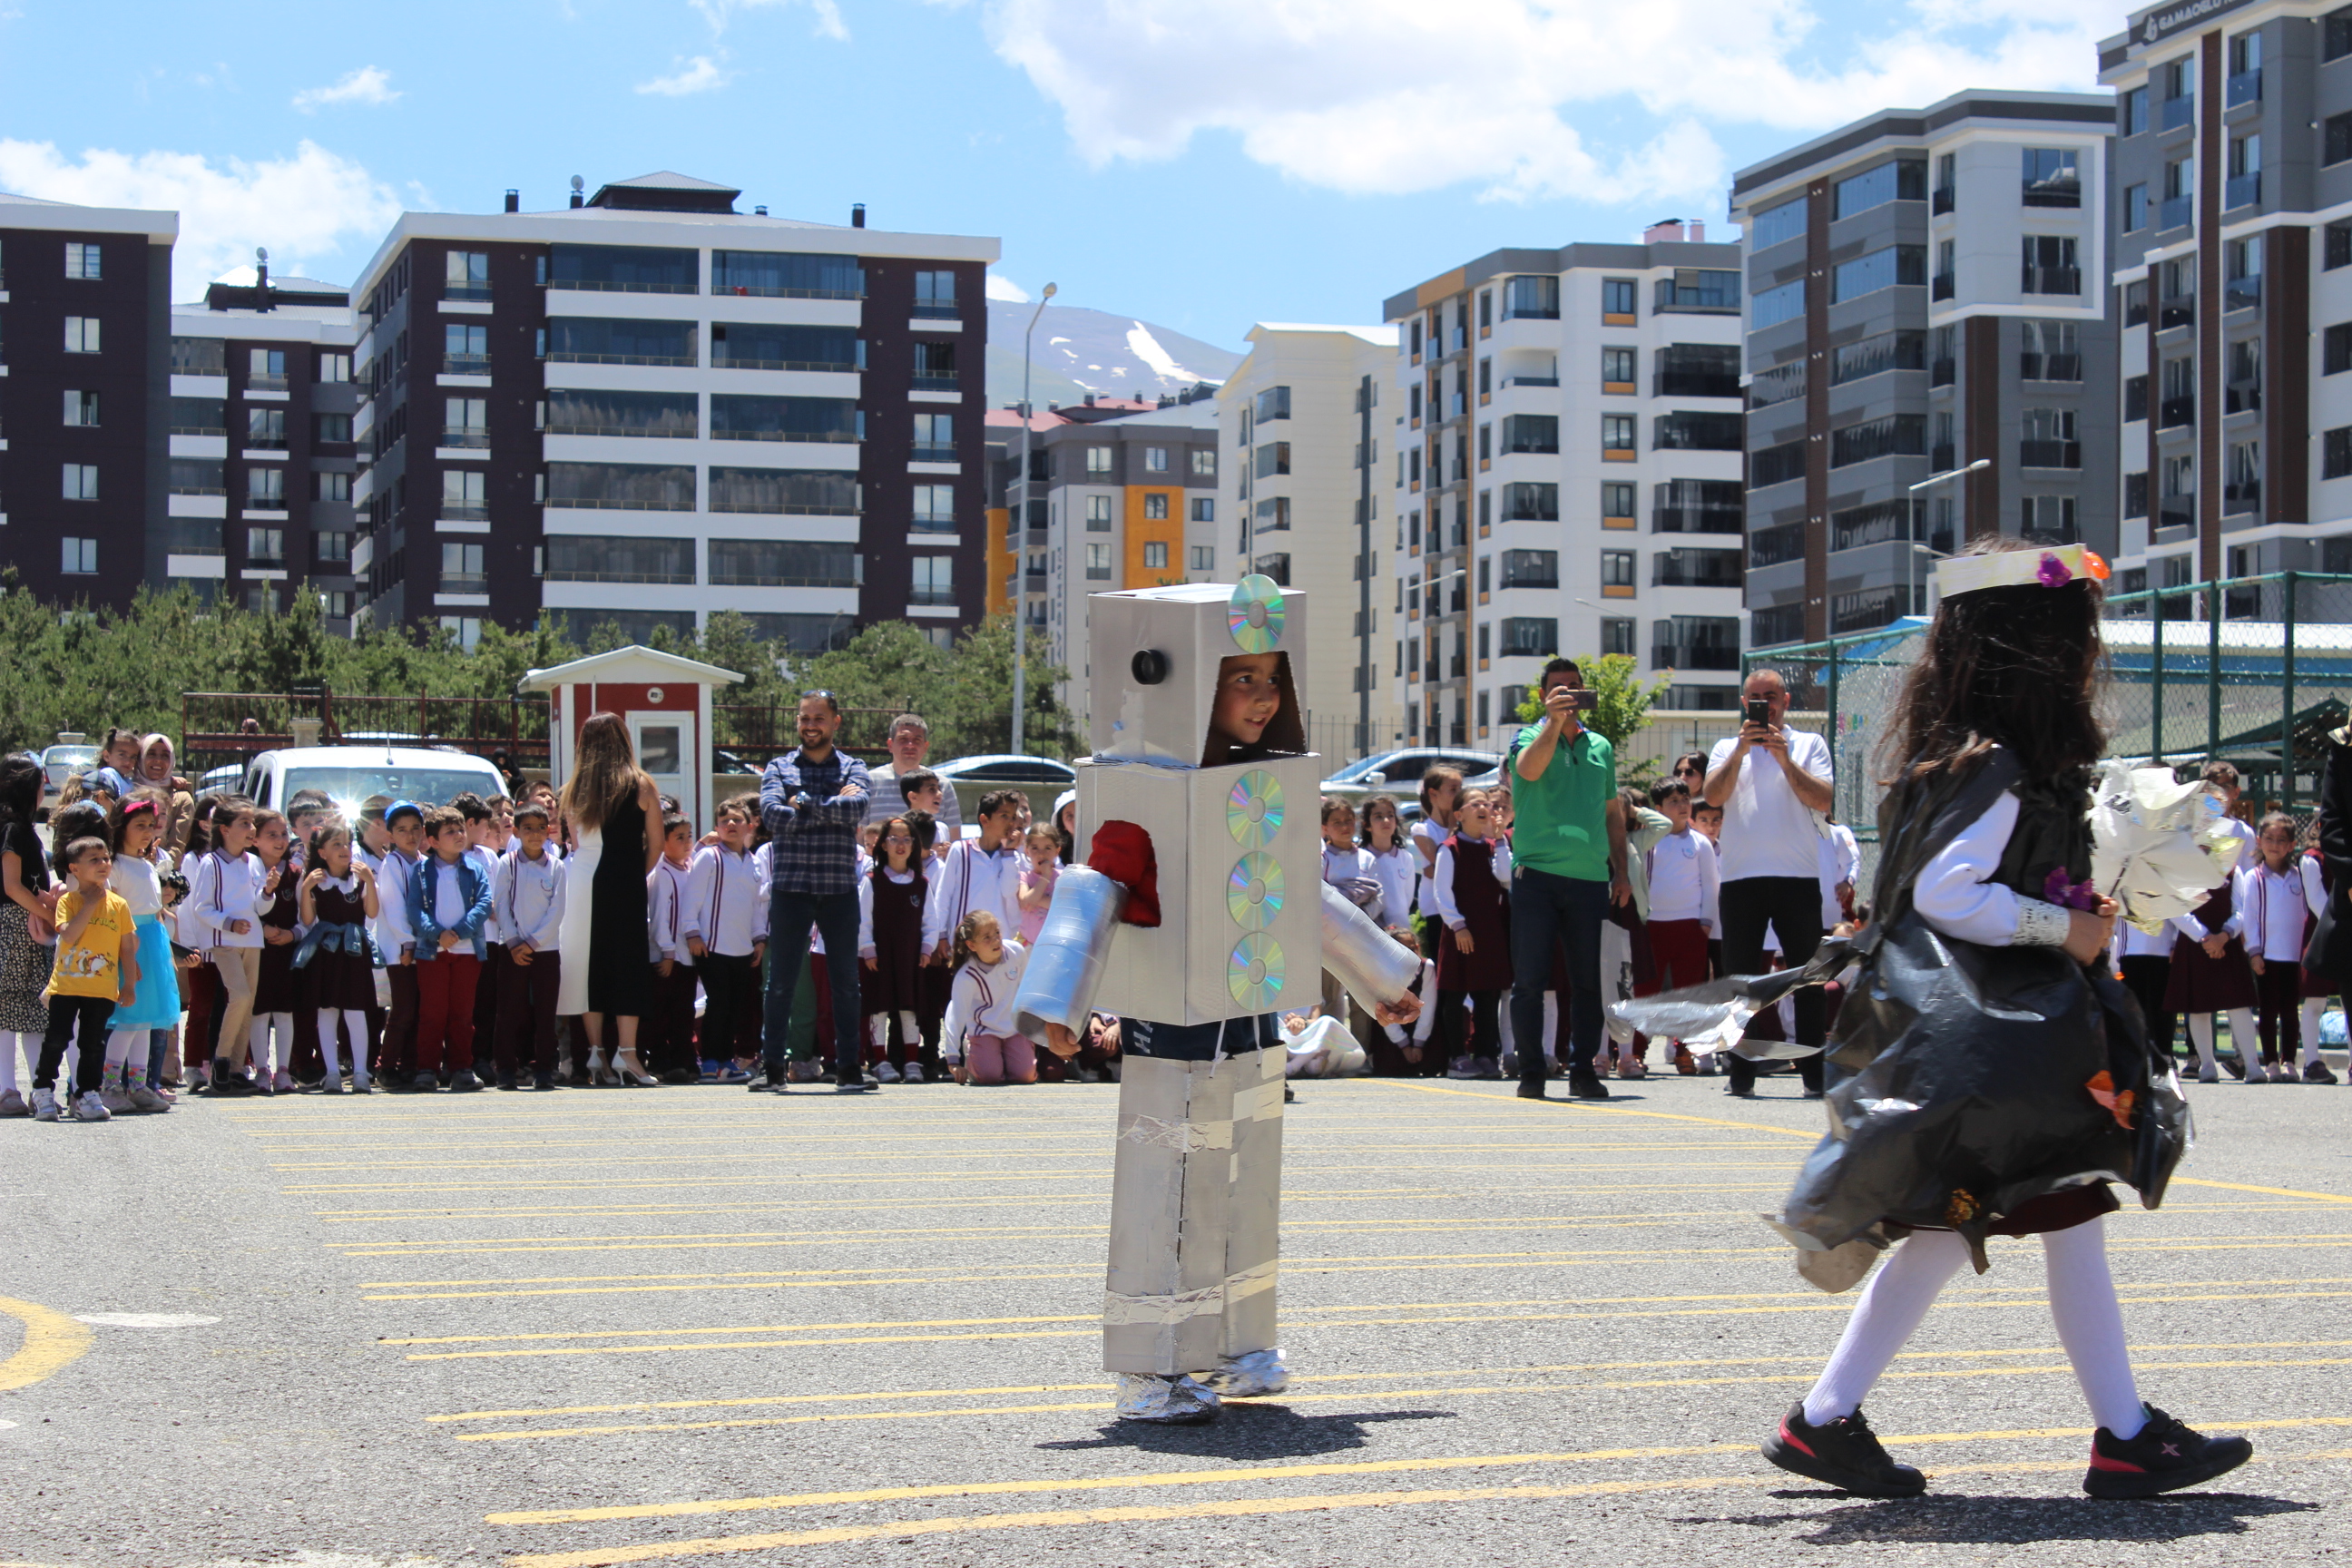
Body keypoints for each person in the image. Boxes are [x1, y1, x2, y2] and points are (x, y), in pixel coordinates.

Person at [1757, 539, 2246, 1503]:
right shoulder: (1997, 764)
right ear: (2038, 646)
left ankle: (1830, 1419)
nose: (2087, 654)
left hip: (1987, 1047)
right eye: (2076, 634)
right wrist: (2064, 924)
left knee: (1980, 1224)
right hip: (2005, 1047)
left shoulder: (1960, 757)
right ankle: (2122, 1436)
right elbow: (1950, 894)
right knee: (2037, 1218)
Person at [1702, 667, 1835, 1099]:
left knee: (1807, 981)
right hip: (1741, 878)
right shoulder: (1726, 747)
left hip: (1797, 877)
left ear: (1786, 701)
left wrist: (1783, 758)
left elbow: (1822, 799)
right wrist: (1741, 751)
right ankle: (1741, 1071)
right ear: (1744, 704)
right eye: (1756, 697)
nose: (1765, 704)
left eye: (1771, 696)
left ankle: (1813, 1072)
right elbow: (1714, 796)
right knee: (1741, 982)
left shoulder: (1808, 744)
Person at [1505, 658, 1631, 1102]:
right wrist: (1554, 724)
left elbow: (1613, 813)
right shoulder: (1527, 737)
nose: (1569, 694)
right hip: (1536, 876)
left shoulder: (1600, 747)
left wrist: (1622, 870)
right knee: (1530, 982)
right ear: (1543, 696)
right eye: (1559, 688)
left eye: (1575, 687)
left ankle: (1583, 1071)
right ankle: (1533, 1073)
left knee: (1588, 983)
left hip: (1589, 880)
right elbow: (1529, 770)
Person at [759, 691, 875, 1093]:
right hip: (790, 888)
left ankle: (848, 1069)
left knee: (846, 983)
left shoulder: (854, 767)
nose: (811, 725)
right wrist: (828, 809)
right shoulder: (778, 766)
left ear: (836, 722)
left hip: (839, 889)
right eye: (804, 717)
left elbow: (856, 810)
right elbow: (772, 816)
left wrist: (804, 802)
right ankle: (771, 1068)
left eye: (819, 718)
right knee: (780, 982)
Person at [555, 712, 663, 1085]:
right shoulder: (641, 784)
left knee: (587, 964)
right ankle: (628, 1054)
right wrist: (636, 874)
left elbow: (573, 842)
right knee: (627, 964)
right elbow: (657, 844)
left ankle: (595, 1051)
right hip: (625, 880)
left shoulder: (572, 788)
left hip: (582, 879)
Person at [29, 837, 138, 1122]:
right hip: (67, 986)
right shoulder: (69, 900)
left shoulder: (119, 905)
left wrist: (129, 984)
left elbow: (127, 946)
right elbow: (68, 934)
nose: (103, 864)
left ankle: (88, 1093)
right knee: (57, 1039)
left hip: (102, 989)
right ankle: (42, 1090)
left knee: (92, 1044)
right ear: (74, 869)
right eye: (94, 860)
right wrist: (90, 904)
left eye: (105, 859)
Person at [408, 806, 495, 1093]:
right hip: (432, 953)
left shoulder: (475, 869)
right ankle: (427, 1069)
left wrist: (457, 933)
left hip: (467, 952)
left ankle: (461, 1067)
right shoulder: (420, 872)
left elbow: (484, 904)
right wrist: (437, 934)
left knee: (462, 1014)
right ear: (432, 841)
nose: (459, 835)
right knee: (432, 1013)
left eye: (460, 829)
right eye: (450, 832)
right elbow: (415, 910)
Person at [100, 793, 178, 1112]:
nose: (147, 831)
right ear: (121, 826)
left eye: (151, 825)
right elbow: (114, 912)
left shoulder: (147, 865)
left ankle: (139, 1084)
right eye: (139, 825)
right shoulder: (115, 865)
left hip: (152, 943)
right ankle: (109, 1086)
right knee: (128, 1019)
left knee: (146, 1020)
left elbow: (155, 910)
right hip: (130, 943)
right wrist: (125, 956)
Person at [683, 797, 766, 1085]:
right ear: (716, 827)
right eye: (724, 821)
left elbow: (756, 905)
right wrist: (692, 932)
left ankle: (726, 1063)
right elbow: (691, 897)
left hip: (743, 947)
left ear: (750, 826)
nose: (731, 824)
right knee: (717, 1004)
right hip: (711, 946)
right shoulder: (709, 856)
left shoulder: (755, 863)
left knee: (735, 1005)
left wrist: (759, 939)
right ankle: (708, 1062)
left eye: (737, 820)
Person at [186, 800, 267, 1095]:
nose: (251, 829)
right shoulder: (211, 863)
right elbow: (201, 907)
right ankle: (219, 1063)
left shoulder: (254, 862)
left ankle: (235, 1069)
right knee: (239, 997)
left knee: (247, 1004)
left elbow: (260, 906)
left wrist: (268, 891)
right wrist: (228, 923)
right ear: (225, 829)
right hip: (224, 941)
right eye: (244, 824)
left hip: (252, 941)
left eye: (252, 823)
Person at [2239, 812, 2325, 1083]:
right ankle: (2271, 1062)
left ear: (2291, 845)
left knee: (2290, 1010)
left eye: (2281, 840)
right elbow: (2248, 917)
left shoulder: (2299, 877)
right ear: (2259, 841)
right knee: (2268, 1010)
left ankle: (2289, 1061)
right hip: (2266, 956)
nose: (2275, 845)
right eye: (2269, 838)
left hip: (2294, 957)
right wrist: (2253, 951)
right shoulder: (2253, 877)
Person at [1431, 788, 1512, 1079]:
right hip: (1460, 933)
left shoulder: (1494, 846)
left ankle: (1487, 1054)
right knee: (1454, 995)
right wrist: (1458, 926)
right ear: (1459, 814)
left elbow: (1506, 877)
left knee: (1487, 996)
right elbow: (1441, 892)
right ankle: (1457, 1057)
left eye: (1487, 804)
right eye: (1475, 803)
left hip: (1489, 933)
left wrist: (1501, 838)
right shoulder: (1449, 848)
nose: (1484, 808)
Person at [1641, 777, 1719, 1074]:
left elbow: (1711, 887)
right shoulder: (1648, 840)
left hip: (1690, 928)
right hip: (1653, 926)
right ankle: (1636, 1051)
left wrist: (1705, 924)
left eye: (1685, 799)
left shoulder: (1700, 843)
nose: (1683, 806)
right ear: (1657, 808)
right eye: (1674, 801)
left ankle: (1685, 1052)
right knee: (1647, 991)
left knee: (1689, 994)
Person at [295, 823, 379, 1095]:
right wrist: (306, 888)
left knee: (356, 1012)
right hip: (327, 951)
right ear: (322, 852)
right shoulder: (315, 880)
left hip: (354, 951)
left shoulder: (359, 878)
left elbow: (372, 912)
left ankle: (360, 1072)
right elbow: (307, 920)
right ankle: (331, 1071)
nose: (344, 850)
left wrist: (370, 882)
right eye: (336, 845)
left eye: (347, 843)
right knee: (327, 1011)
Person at [0, 755, 61, 1117]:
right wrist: (47, 913)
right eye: (41, 785)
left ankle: (39, 1088)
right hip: (16, 926)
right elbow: (11, 886)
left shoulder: (21, 826)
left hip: (25, 924)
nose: (44, 792)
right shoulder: (13, 829)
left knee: (31, 1009)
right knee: (11, 1009)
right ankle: (9, 1088)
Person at [493, 801, 566, 1092]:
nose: (535, 835)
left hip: (546, 950)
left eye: (540, 828)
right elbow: (501, 904)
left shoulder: (556, 866)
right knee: (509, 1011)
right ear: (516, 831)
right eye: (528, 829)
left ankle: (544, 1069)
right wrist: (514, 943)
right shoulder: (507, 863)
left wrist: (533, 944)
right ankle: (507, 1069)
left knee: (546, 1013)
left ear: (548, 830)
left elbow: (557, 910)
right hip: (512, 949)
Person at [859, 814, 936, 1083]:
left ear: (915, 845)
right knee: (878, 1007)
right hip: (879, 958)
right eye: (894, 839)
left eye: (907, 839)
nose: (900, 845)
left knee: (909, 1007)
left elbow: (930, 921)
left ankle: (912, 1061)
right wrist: (868, 948)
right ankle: (880, 1061)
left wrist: (927, 948)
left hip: (910, 956)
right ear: (882, 844)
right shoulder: (872, 880)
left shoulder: (921, 883)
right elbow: (863, 919)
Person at [923, 789, 1024, 965]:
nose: (1010, 823)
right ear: (985, 820)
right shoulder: (961, 850)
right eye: (1004, 816)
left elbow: (1009, 890)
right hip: (966, 941)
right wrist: (941, 934)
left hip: (999, 943)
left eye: (1013, 817)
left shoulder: (1012, 856)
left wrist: (1009, 853)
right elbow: (944, 894)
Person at [941, 909, 1034, 1084]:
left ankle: (1010, 1059)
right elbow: (956, 1013)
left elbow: (1027, 989)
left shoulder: (1016, 952)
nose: (996, 940)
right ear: (971, 945)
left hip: (1013, 1028)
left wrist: (1032, 1027)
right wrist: (952, 1058)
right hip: (984, 1030)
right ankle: (974, 1052)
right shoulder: (966, 976)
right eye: (986, 937)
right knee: (988, 1076)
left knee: (1025, 1076)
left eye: (997, 933)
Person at [249, 809, 301, 1094]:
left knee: (283, 1011)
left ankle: (283, 1070)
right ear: (254, 839)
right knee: (258, 1011)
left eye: (283, 834)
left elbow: (307, 919)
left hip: (286, 952)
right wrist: (263, 929)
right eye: (272, 835)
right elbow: (244, 909)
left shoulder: (295, 873)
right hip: (256, 951)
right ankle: (260, 1069)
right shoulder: (248, 868)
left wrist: (292, 934)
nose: (280, 840)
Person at [643, 811, 699, 1083]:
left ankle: (683, 1060)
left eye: (689, 836)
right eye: (680, 837)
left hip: (687, 956)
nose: (688, 842)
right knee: (661, 1013)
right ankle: (660, 1061)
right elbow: (658, 917)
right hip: (669, 956)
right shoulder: (662, 873)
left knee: (683, 1011)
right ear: (663, 842)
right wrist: (666, 951)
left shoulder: (690, 868)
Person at [865, 714, 965, 841]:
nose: (910, 745)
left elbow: (954, 839)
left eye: (917, 740)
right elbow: (860, 837)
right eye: (903, 739)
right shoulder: (870, 782)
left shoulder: (942, 786)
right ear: (890, 745)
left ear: (925, 746)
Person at [1410, 767, 1463, 959]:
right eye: (1453, 789)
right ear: (1433, 793)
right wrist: (1452, 825)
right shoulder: (1421, 829)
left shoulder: (1466, 826)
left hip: (1462, 907)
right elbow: (1444, 863)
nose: (1459, 795)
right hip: (1435, 909)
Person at [134, 734, 195, 859]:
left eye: (165, 756)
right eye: (151, 754)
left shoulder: (181, 799)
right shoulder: (128, 791)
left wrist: (156, 864)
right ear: (140, 758)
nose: (158, 760)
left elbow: (178, 846)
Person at [1360, 795, 1416, 931]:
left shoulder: (1405, 857)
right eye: (1378, 817)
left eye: (1390, 815)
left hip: (1401, 930)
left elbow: (1407, 896)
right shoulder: (1361, 858)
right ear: (1367, 825)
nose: (1386, 821)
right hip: (1371, 931)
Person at [1015, 822, 1061, 946]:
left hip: (1054, 945)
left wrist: (1035, 898)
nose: (1041, 854)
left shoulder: (1063, 878)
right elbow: (1025, 902)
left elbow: (1062, 906)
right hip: (1028, 944)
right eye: (1035, 848)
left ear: (1057, 851)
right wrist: (1045, 877)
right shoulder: (1023, 877)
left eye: (1048, 848)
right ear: (1026, 851)